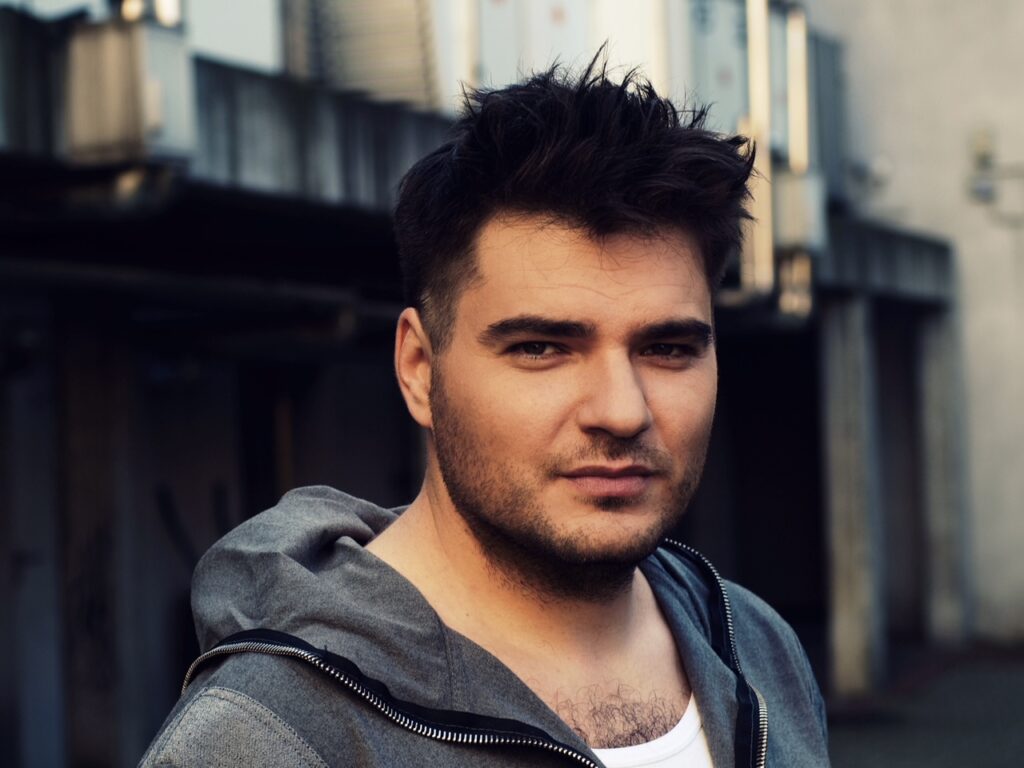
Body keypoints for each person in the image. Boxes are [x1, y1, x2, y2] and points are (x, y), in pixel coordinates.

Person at [141, 59, 830, 768]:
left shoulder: (758, 647)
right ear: (419, 368)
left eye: (667, 348)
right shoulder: (262, 738)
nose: (622, 412)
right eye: (542, 348)